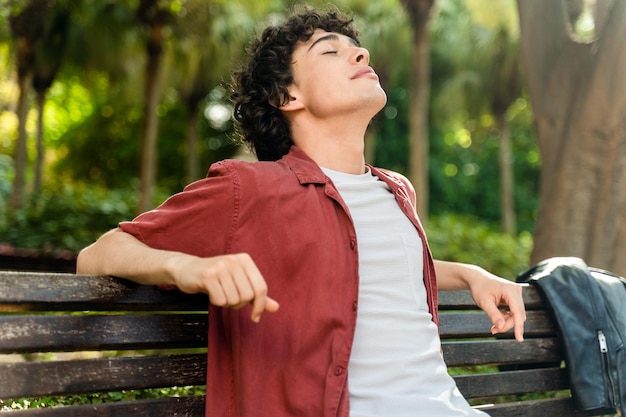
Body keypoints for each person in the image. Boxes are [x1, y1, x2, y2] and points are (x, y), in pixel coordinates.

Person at [77, 6, 526, 417]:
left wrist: (471, 274)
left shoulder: (395, 189)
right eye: (331, 51)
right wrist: (186, 266)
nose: (360, 54)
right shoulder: (249, 188)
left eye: (357, 48)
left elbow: (368, 265)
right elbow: (96, 256)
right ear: (287, 96)